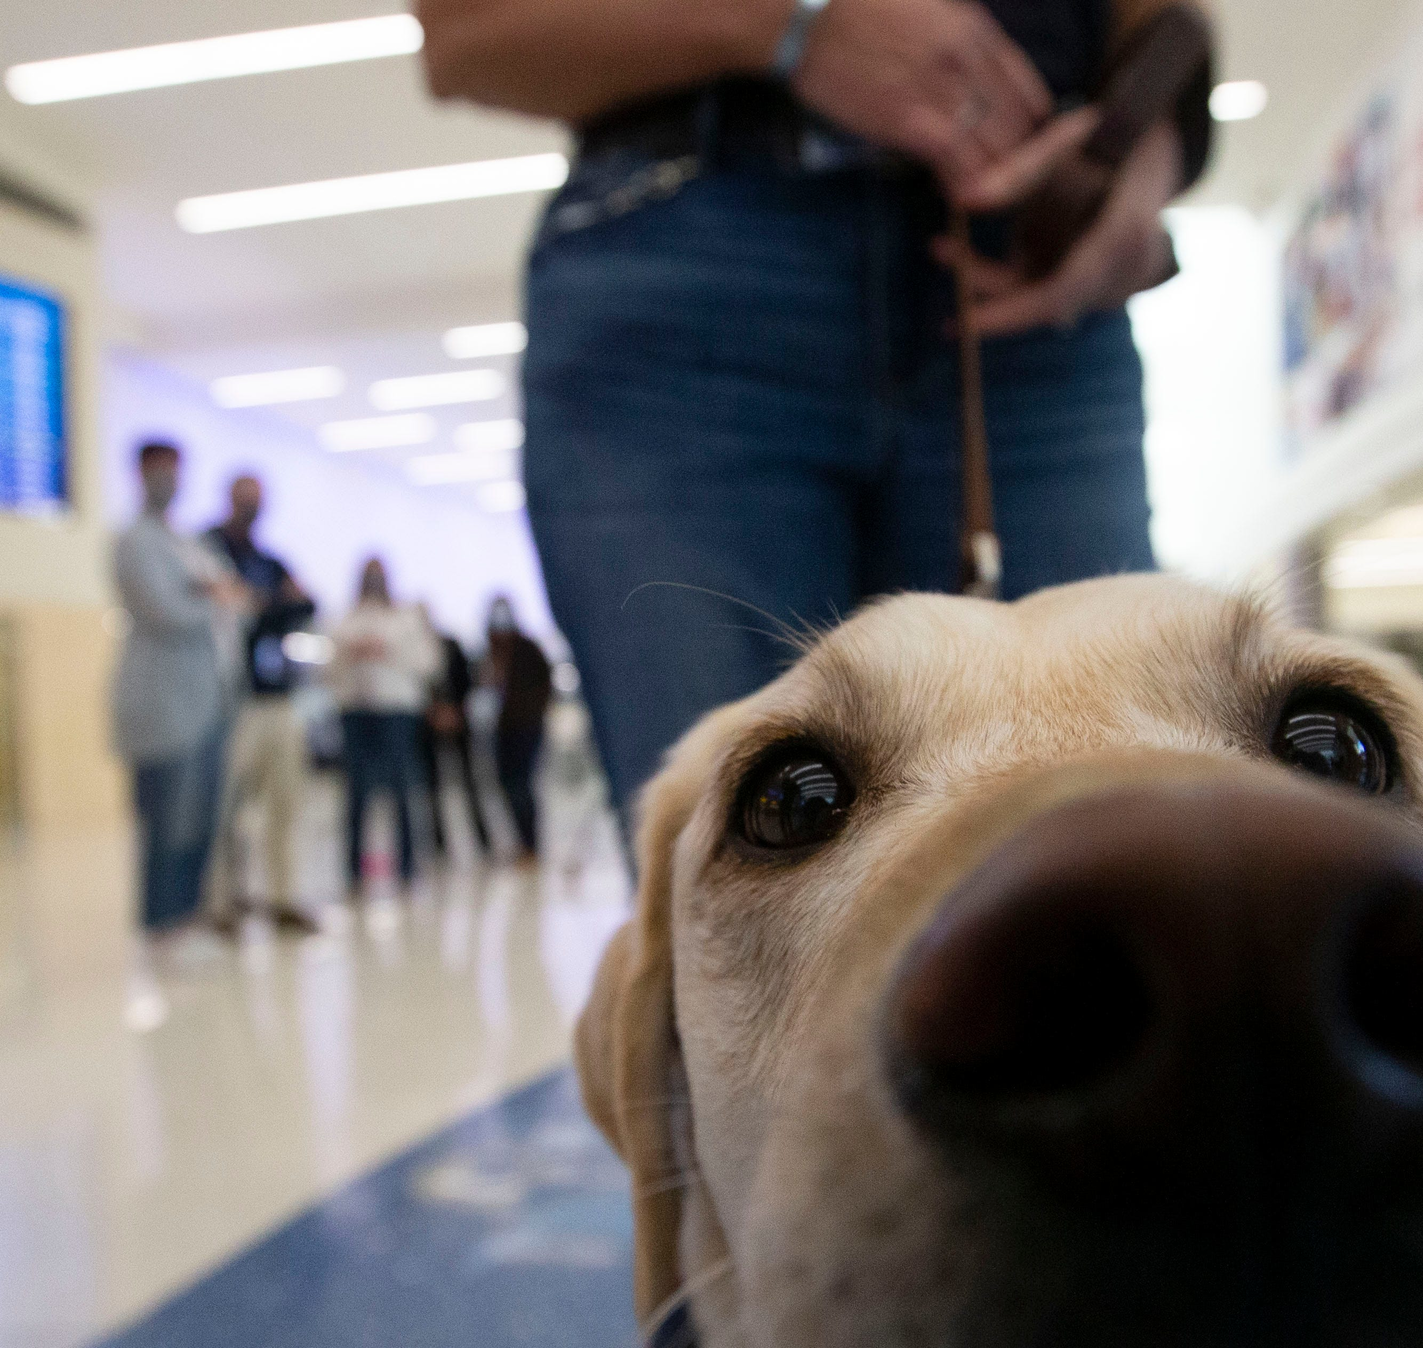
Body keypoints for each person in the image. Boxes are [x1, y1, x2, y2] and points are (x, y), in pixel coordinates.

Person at [417, 0, 1216, 821]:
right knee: (732, 860)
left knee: (1109, 836)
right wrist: (791, 22)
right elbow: (462, 33)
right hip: (685, 255)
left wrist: (1140, 149)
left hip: (1024, 278)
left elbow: (1166, 25)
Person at [111, 441, 245, 948]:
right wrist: (212, 596)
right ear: (141, 474)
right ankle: (160, 923)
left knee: (200, 819)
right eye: (158, 470)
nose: (168, 479)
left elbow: (229, 594)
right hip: (164, 706)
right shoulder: (134, 541)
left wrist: (212, 594)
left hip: (210, 701)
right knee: (167, 821)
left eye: (175, 470)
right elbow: (163, 609)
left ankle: (186, 915)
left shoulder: (184, 542)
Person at [201, 474, 321, 935]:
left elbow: (306, 605)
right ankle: (220, 902)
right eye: (244, 497)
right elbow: (235, 610)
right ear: (229, 498)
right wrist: (271, 606)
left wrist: (264, 605)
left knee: (287, 802)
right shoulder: (211, 550)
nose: (251, 506)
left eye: (258, 498)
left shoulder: (270, 560)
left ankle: (283, 897)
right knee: (226, 808)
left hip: (280, 699)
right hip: (234, 703)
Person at [326, 559, 441, 895]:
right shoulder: (344, 619)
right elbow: (328, 668)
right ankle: (353, 873)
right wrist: (352, 654)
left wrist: (387, 651)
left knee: (404, 789)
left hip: (397, 713)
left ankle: (406, 869)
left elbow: (428, 663)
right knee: (356, 794)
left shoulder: (406, 618)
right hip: (356, 712)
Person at [483, 596, 554, 866]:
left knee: (523, 785)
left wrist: (532, 710)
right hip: (503, 728)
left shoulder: (528, 648)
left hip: (528, 726)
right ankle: (522, 842)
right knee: (506, 783)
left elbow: (546, 685)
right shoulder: (491, 651)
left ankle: (531, 844)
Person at [419, 613, 493, 862]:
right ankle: (439, 847)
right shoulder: (416, 648)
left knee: (471, 784)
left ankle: (484, 844)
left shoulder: (451, 646)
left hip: (459, 722)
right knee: (432, 790)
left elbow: (468, 680)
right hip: (428, 728)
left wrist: (455, 711)